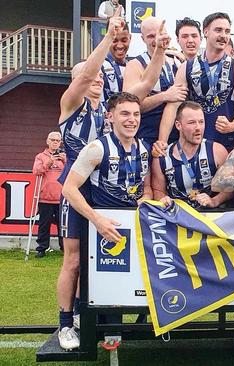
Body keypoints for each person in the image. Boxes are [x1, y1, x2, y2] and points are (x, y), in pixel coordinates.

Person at [54, 15, 125, 350]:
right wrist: (109, 38)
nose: (96, 77)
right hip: (75, 187)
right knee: (74, 259)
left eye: (100, 75)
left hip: (102, 190)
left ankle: (84, 315)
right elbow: (84, 75)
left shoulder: (106, 113)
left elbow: (139, 92)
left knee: (95, 259)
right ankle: (65, 322)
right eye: (89, 74)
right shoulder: (70, 105)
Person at [158, 12, 234, 152]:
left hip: (226, 143)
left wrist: (232, 125)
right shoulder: (186, 67)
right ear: (206, 32)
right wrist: (162, 142)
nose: (223, 35)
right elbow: (173, 106)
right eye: (218, 30)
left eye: (227, 31)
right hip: (193, 144)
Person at [151, 101, 230, 208]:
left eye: (201, 122)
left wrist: (214, 201)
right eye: (192, 122)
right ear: (178, 125)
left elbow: (229, 188)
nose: (198, 127)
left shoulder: (217, 151)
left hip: (210, 216)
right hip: (178, 217)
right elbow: (158, 190)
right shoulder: (163, 157)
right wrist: (163, 199)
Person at [124, 16, 184, 145]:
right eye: (151, 36)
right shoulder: (135, 65)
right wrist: (163, 96)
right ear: (143, 39)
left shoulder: (177, 61)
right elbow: (128, 105)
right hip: (147, 137)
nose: (157, 39)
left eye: (160, 34)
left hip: (179, 136)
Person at [32, 132, 66, 257]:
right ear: (47, 141)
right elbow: (36, 171)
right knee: (44, 224)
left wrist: (65, 161)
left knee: (63, 225)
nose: (55, 142)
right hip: (45, 197)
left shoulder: (65, 157)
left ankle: (64, 248)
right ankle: (42, 248)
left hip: (62, 197)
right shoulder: (41, 156)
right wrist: (50, 162)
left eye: (58, 140)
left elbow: (72, 173)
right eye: (53, 140)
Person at [101, 16, 131, 101]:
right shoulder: (99, 67)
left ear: (130, 38)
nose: (120, 45)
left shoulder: (135, 66)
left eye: (124, 40)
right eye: (114, 41)